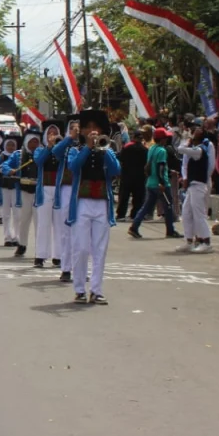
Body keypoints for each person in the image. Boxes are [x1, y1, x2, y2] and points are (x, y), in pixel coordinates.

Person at [66, 109, 121, 305]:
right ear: (82, 131)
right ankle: (79, 289)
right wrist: (88, 148)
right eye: (88, 128)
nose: (92, 131)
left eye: (96, 127)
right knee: (81, 248)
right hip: (81, 202)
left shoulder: (107, 150)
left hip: (102, 203)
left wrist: (103, 150)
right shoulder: (75, 150)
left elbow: (116, 170)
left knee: (100, 249)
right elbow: (73, 167)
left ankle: (96, 290)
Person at [128, 127, 179, 240]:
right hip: (160, 184)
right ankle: (170, 230)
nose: (166, 139)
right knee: (168, 206)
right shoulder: (162, 151)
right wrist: (162, 182)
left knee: (146, 207)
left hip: (150, 183)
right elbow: (160, 167)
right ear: (162, 139)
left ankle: (134, 227)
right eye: (165, 138)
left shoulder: (151, 149)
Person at [177, 123, 216, 253]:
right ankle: (189, 240)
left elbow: (180, 149)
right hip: (192, 186)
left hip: (199, 185)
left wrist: (187, 139)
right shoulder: (196, 149)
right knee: (186, 212)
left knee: (199, 213)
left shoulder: (199, 150)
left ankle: (206, 241)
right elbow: (184, 161)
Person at [51, 117, 81, 282]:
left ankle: (81, 268)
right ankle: (66, 269)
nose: (76, 130)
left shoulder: (89, 144)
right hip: (67, 189)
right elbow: (55, 151)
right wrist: (70, 138)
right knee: (66, 231)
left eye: (78, 128)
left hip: (83, 190)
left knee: (83, 233)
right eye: (73, 128)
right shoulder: (66, 145)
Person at [3, 128, 40, 258]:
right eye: (31, 142)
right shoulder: (18, 155)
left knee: (39, 222)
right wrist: (10, 170)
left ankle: (40, 249)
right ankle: (22, 244)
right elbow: (5, 165)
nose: (34, 145)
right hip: (24, 192)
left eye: (36, 142)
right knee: (23, 220)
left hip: (39, 193)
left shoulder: (42, 154)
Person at [32, 120, 64, 268]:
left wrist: (58, 146)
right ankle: (40, 255)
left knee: (59, 224)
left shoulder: (63, 149)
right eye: (50, 133)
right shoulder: (40, 149)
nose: (52, 135)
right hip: (44, 188)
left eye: (55, 133)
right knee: (43, 224)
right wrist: (49, 147)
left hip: (59, 189)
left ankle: (58, 256)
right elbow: (39, 161)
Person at [116, 130, 148, 222]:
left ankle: (121, 214)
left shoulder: (127, 147)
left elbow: (121, 159)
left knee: (124, 196)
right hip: (140, 176)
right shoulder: (145, 149)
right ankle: (135, 214)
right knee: (138, 196)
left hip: (127, 175)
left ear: (133, 137)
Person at [0, 133, 20, 246]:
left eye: (13, 145)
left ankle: (16, 237)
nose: (11, 147)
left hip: (16, 187)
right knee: (6, 214)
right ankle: (7, 237)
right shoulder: (0, 157)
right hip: (4, 187)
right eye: (8, 145)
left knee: (17, 213)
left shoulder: (18, 156)